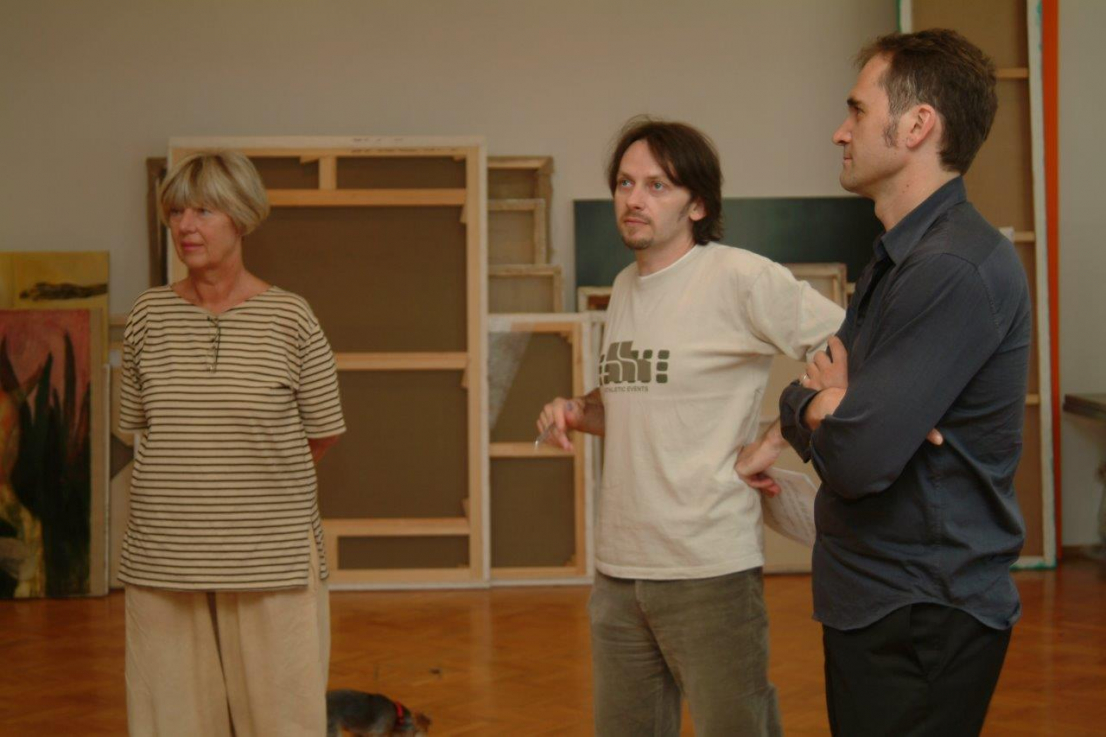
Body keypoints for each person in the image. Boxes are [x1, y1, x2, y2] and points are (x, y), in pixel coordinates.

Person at [738, 30, 1030, 737]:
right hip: (883, 599)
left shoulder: (951, 268)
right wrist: (824, 404)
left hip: (922, 609)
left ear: (917, 125)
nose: (841, 132)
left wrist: (832, 408)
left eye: (858, 111)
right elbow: (814, 393)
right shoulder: (903, 258)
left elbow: (861, 459)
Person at [537, 118, 844, 736]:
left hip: (708, 568)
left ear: (698, 204)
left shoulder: (739, 277)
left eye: (657, 185)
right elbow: (636, 399)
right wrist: (576, 409)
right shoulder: (625, 286)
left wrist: (782, 431)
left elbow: (850, 347)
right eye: (625, 183)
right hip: (619, 571)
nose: (634, 198)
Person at [119, 150, 346, 736]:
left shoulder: (291, 319)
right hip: (165, 555)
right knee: (172, 719)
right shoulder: (147, 316)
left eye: (204, 211)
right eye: (176, 212)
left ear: (241, 217)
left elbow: (323, 432)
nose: (185, 226)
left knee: (284, 719)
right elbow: (138, 426)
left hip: (272, 558)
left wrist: (248, 487)